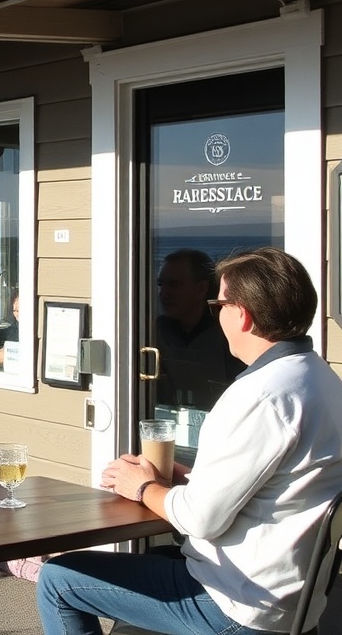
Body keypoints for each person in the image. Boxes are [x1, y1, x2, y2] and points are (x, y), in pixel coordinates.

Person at [37, 247, 342, 635]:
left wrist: (142, 486)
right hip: (294, 603)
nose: (217, 314)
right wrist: (187, 477)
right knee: (155, 561)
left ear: (243, 315)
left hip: (238, 604)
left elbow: (201, 519)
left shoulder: (261, 396)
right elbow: (277, 485)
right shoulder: (322, 380)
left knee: (59, 578)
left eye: (220, 304)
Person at [155, 249, 244, 408]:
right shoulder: (156, 332)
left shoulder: (228, 335)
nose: (164, 294)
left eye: (174, 285)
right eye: (161, 285)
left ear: (201, 289)